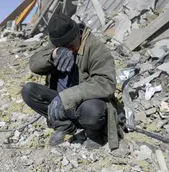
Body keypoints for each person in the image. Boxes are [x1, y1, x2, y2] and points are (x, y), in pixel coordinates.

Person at [21, 14, 121, 150]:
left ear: (77, 35)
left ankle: (93, 133)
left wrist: (67, 97)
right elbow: (34, 64)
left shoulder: (95, 47)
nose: (68, 50)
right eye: (62, 47)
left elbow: (106, 83)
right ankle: (65, 125)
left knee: (92, 110)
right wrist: (54, 54)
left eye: (70, 46)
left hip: (84, 104)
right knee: (29, 91)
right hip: (62, 104)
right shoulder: (57, 44)